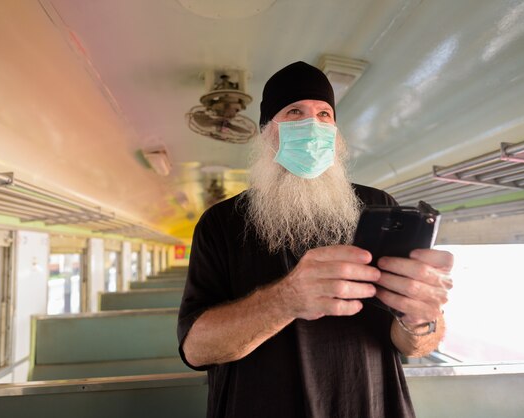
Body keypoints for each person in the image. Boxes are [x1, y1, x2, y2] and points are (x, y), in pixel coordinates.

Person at [177, 61, 453, 418]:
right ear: (267, 133)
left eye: (324, 114)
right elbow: (197, 350)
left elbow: (416, 345)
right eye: (295, 112)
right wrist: (286, 299)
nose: (313, 125)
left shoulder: (378, 207)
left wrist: (422, 318)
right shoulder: (222, 223)